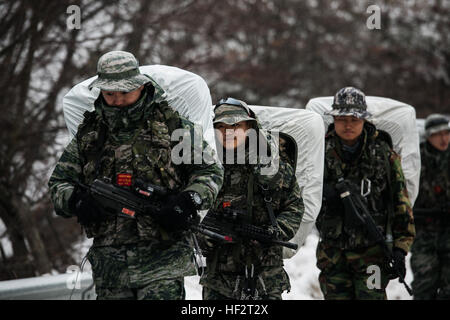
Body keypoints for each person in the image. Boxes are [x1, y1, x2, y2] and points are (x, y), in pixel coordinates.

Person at [48, 51, 224, 300]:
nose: (117, 100)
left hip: (162, 262)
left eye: (124, 92)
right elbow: (59, 183)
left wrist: (188, 201)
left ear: (141, 86)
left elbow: (210, 171)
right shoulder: (89, 135)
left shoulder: (172, 126)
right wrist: (76, 201)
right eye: (110, 94)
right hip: (111, 269)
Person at [198, 98, 304, 300]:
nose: (228, 132)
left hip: (265, 275)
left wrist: (274, 231)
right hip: (219, 277)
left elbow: (294, 206)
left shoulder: (273, 165)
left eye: (235, 125)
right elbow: (193, 212)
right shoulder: (207, 165)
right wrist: (207, 235)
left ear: (250, 127)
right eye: (220, 127)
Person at [316, 87, 415, 300]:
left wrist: (400, 249)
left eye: (354, 119)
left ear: (364, 120)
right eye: (342, 119)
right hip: (333, 254)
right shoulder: (321, 151)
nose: (348, 124)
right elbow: (304, 192)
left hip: (372, 253)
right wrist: (325, 194)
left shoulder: (382, 153)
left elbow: (400, 201)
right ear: (334, 119)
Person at [411, 114, 450, 299]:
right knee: (424, 286)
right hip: (425, 233)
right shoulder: (417, 159)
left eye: (446, 133)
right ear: (428, 136)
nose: (443, 139)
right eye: (437, 134)